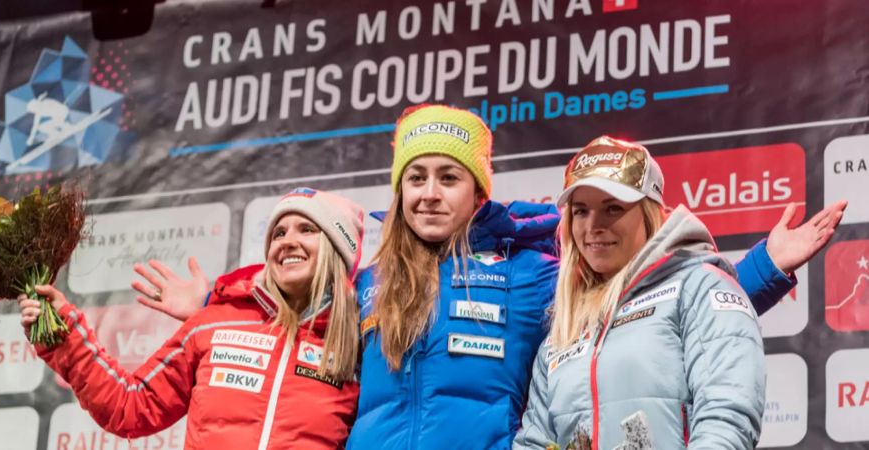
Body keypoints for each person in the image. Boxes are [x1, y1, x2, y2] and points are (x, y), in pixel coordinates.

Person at [134, 106, 845, 449]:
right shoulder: (365, 279)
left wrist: (761, 270)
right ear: (399, 191)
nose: (430, 193)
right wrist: (215, 299)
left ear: (479, 192)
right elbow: (292, 304)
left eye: (449, 177)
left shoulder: (532, 274)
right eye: (415, 179)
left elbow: (635, 302)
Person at [18, 188, 365, 449]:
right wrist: (64, 334)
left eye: (307, 229)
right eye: (279, 232)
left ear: (339, 248)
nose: (287, 241)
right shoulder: (214, 323)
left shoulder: (361, 342)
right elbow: (130, 405)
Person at [513, 137, 764, 449]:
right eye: (580, 211)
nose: (593, 226)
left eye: (613, 208)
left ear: (648, 213)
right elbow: (535, 441)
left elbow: (726, 415)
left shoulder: (699, 286)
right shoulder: (566, 326)